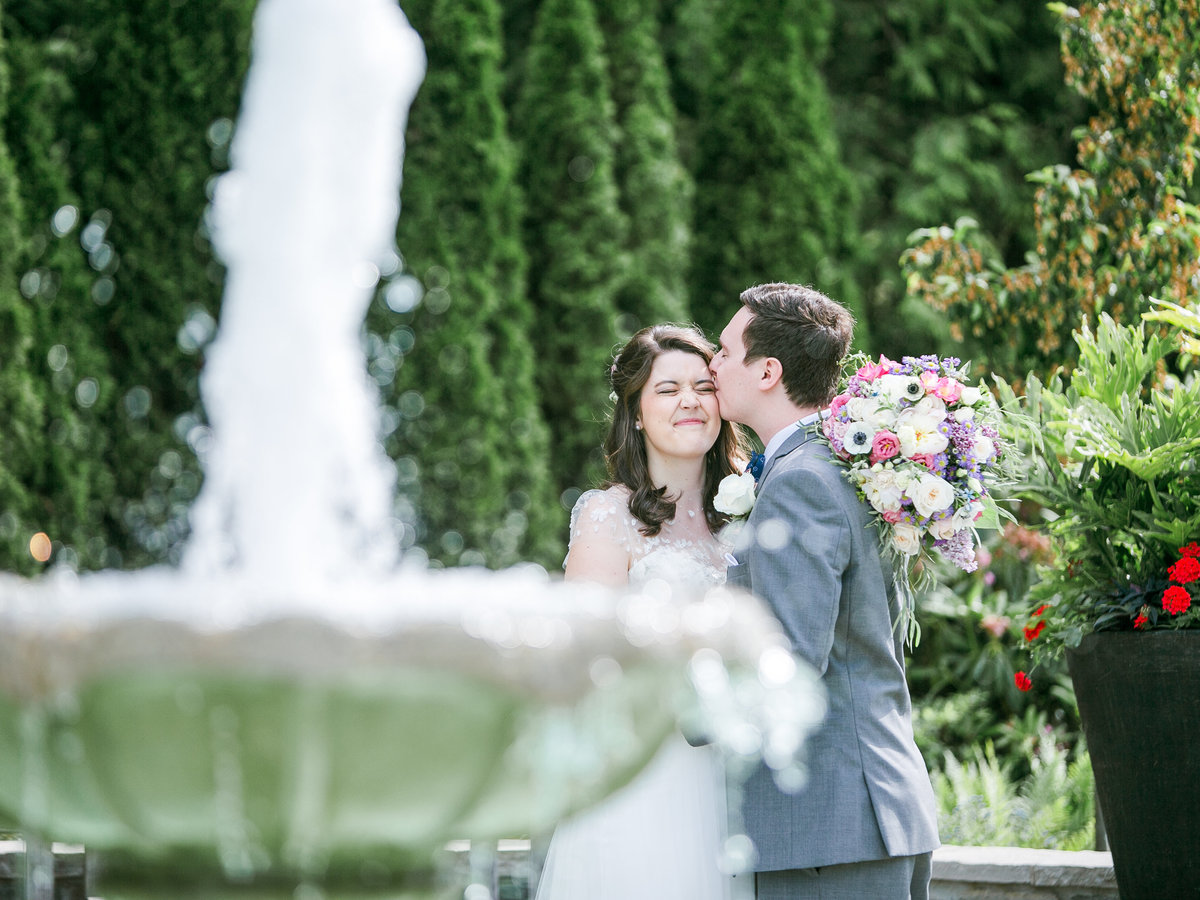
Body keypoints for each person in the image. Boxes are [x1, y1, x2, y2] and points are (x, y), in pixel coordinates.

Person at [710, 283, 940, 900]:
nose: (713, 364)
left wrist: (673, 701)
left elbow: (789, 662)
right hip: (862, 820)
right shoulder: (842, 464)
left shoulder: (800, 482)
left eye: (726, 352)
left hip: (830, 830)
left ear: (768, 371)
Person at [535, 323, 749, 900]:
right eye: (667, 389)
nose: (689, 402)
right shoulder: (609, 516)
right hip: (646, 774)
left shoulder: (751, 513)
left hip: (738, 776)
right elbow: (588, 656)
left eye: (704, 388)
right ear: (635, 413)